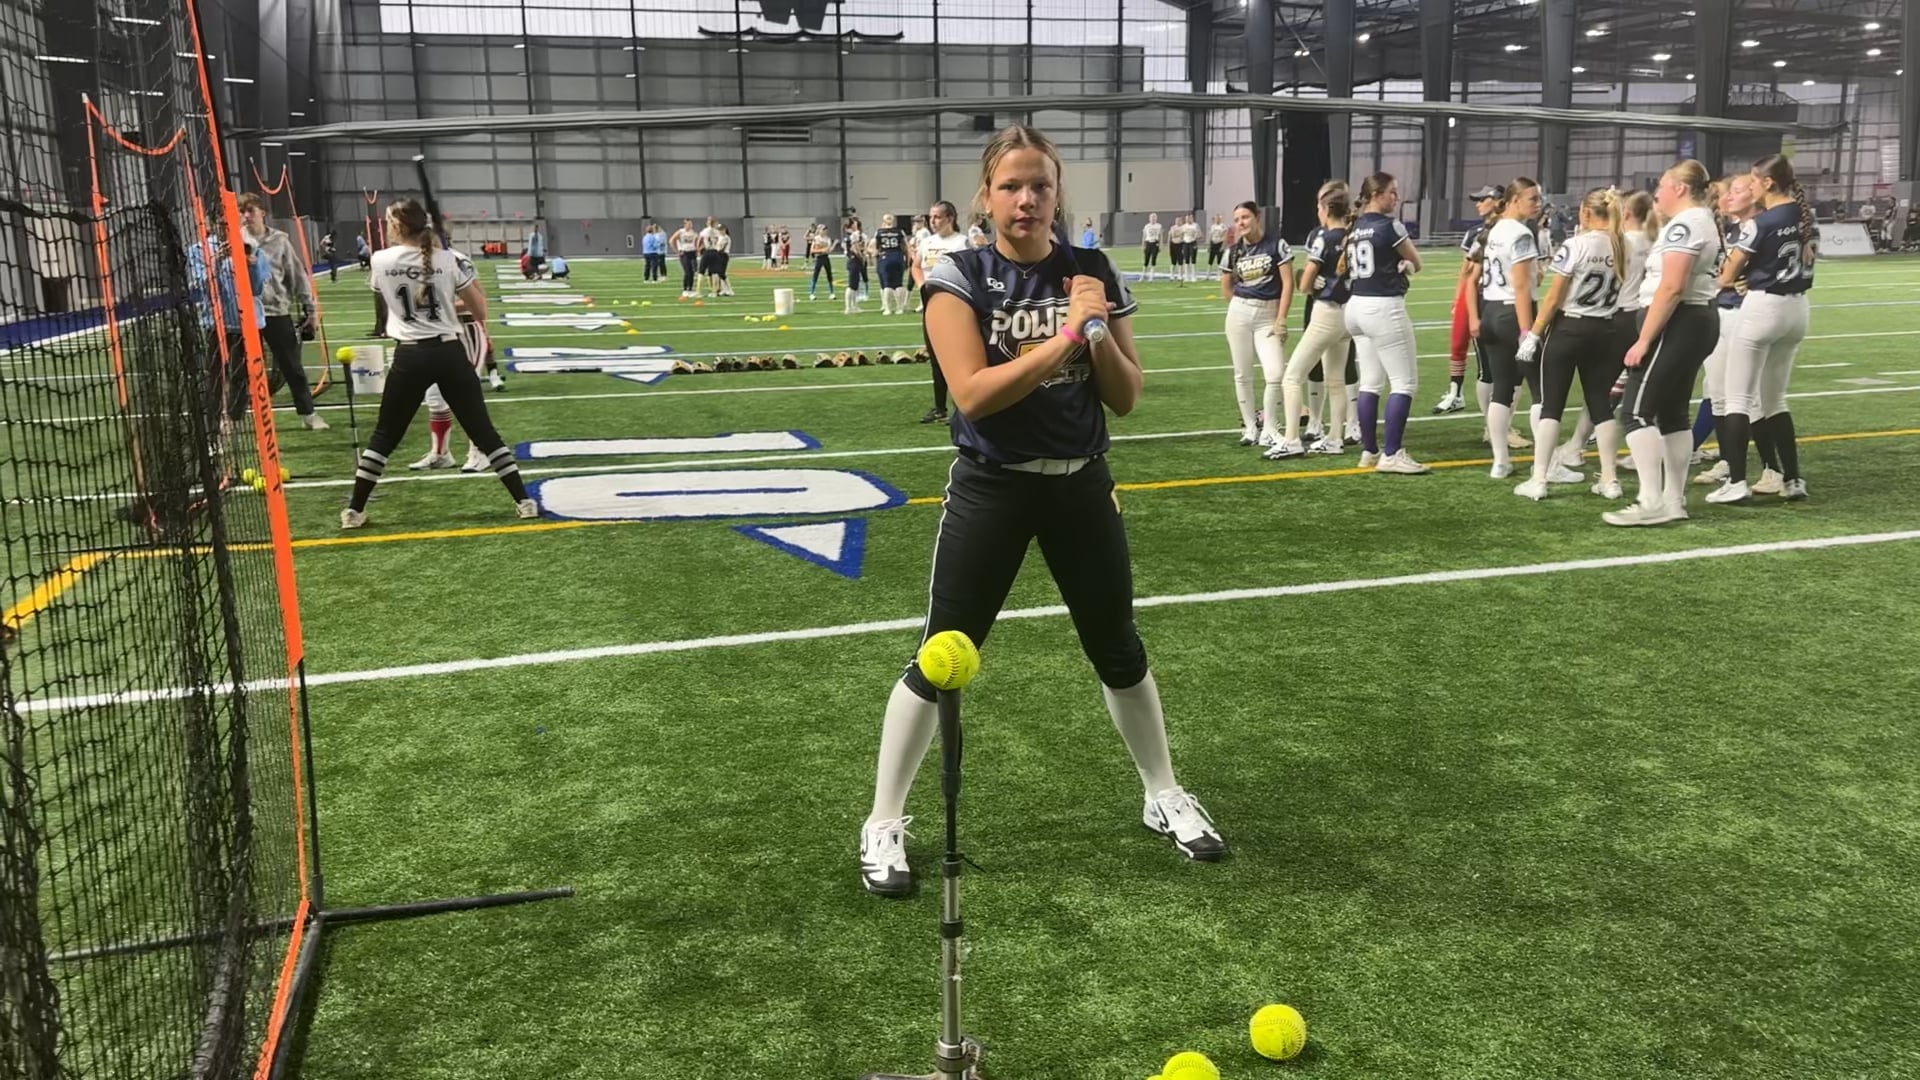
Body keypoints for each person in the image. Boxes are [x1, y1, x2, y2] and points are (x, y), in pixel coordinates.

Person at [858, 123, 1226, 898]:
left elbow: (1126, 396)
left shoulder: (1091, 270)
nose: (1027, 199)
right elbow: (972, 394)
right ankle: (883, 820)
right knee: (942, 651)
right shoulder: (959, 275)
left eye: (1041, 186)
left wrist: (1097, 330)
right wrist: (1066, 337)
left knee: (1117, 646)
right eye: (1012, 186)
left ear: (1058, 195)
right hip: (993, 485)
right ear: (986, 196)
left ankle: (1162, 791)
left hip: (1081, 484)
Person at [344, 198, 535, 529]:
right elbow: (480, 310)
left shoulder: (380, 259)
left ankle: (354, 511)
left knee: (385, 435)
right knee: (483, 432)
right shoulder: (448, 258)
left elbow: (389, 297)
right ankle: (524, 502)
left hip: (409, 355)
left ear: (398, 226)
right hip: (448, 351)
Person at [1604, 159, 1724, 527]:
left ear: (1680, 188)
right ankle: (1673, 500)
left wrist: (1644, 339)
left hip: (1678, 321)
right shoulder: (1700, 221)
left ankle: (1651, 500)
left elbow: (1672, 286)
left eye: (1662, 185)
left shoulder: (1687, 224)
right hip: (1694, 318)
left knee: (1635, 412)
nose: (1657, 193)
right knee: (1673, 415)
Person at [1709, 153, 1814, 504]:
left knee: (1738, 397)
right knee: (1775, 399)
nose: (1751, 186)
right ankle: (1793, 478)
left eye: (1754, 181)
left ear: (1768, 182)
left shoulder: (1762, 222)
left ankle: (1736, 481)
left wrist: (1738, 273)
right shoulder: (1806, 215)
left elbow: (1727, 275)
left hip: (1763, 305)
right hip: (1798, 308)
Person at [1513, 188, 1625, 501]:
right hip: (1605, 329)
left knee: (1552, 405)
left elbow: (1553, 298)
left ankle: (1539, 479)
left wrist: (1534, 333)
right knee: (1600, 406)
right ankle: (1610, 479)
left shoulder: (1576, 245)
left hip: (1569, 327)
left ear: (1586, 213)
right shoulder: (1622, 244)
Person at [1339, 173, 1427, 474]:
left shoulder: (1355, 226)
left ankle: (1370, 451)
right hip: (1382, 306)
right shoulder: (1389, 226)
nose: (1396, 198)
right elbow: (1417, 262)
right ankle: (1392, 453)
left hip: (1355, 306)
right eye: (1392, 192)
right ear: (1377, 194)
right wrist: (1405, 266)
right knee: (1404, 383)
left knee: (1370, 382)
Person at [1273, 182, 1352, 458]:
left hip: (1326, 312)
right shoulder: (1353, 237)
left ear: (1326, 209)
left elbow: (1305, 284)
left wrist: (1311, 284)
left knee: (1292, 377)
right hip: (1348, 314)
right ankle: (1335, 439)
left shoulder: (1324, 238)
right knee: (1336, 380)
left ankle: (1291, 440)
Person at [237, 193, 327, 431]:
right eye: (242, 212)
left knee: (292, 367)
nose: (246, 216)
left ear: (262, 213)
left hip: (276, 311)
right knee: (238, 369)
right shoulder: (235, 240)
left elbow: (297, 275)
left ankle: (308, 414)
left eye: (251, 211)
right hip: (244, 316)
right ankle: (233, 419)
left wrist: (311, 309)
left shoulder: (280, 241)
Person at [1690, 174, 1759, 485]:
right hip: (1722, 310)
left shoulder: (1757, 228)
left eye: (1730, 193)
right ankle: (1726, 459)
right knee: (1717, 391)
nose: (1722, 200)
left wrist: (1750, 280)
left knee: (1745, 396)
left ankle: (1757, 466)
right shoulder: (1728, 229)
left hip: (1743, 314)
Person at [1476, 177, 1546, 481]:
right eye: (1532, 198)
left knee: (1502, 390)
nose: (1538, 204)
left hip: (1491, 310)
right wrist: (1526, 331)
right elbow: (1520, 287)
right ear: (1515, 200)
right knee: (1542, 391)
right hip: (1513, 314)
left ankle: (1500, 461)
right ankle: (1545, 464)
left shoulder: (1496, 229)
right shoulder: (1520, 233)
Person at [1217, 201, 1293, 447]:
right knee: (1242, 373)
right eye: (1237, 219)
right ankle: (1250, 427)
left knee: (1275, 373)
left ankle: (1269, 427)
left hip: (1268, 314)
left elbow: (1288, 283)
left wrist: (1281, 318)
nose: (1241, 223)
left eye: (1246, 217)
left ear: (1257, 217)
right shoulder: (1233, 251)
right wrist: (1241, 307)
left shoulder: (1276, 245)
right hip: (1239, 311)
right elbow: (1226, 288)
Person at [1435, 184, 1502, 415]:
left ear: (1498, 200)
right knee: (1458, 343)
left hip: (1496, 296)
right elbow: (1465, 270)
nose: (1478, 204)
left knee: (1496, 357)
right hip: (1475, 292)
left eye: (1483, 199)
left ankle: (1496, 408)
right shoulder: (1476, 232)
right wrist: (1458, 299)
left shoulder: (1509, 230)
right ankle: (1455, 392)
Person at [910, 201, 970, 421]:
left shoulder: (962, 242)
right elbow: (916, 266)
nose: (932, 221)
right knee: (935, 357)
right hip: (931, 304)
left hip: (954, 304)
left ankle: (962, 407)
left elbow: (971, 272)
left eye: (937, 217)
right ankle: (939, 408)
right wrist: (921, 285)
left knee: (958, 358)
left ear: (950, 218)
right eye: (931, 217)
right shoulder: (927, 242)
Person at [873, 212, 909, 315]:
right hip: (898, 256)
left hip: (885, 257)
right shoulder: (899, 231)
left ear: (884, 221)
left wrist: (876, 257)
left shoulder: (879, 232)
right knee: (899, 284)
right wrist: (907, 260)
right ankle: (900, 308)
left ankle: (887, 308)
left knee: (887, 284)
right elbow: (905, 247)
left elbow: (875, 248)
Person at [843, 217, 868, 314]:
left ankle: (853, 306)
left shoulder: (853, 234)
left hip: (854, 260)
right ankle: (848, 307)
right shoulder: (853, 235)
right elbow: (855, 248)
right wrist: (862, 257)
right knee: (852, 285)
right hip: (854, 260)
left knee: (855, 285)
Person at [670, 219, 700, 298]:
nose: (690, 225)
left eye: (691, 224)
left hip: (692, 253)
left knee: (692, 272)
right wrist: (676, 251)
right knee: (687, 271)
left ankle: (690, 289)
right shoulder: (680, 232)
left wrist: (697, 250)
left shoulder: (694, 233)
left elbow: (697, 242)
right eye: (689, 224)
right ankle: (685, 289)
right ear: (685, 224)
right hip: (684, 253)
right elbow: (671, 240)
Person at [1140, 213, 1163, 281]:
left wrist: (1160, 245)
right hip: (1148, 243)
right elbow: (1144, 236)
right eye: (1152, 217)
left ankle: (1151, 276)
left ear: (1156, 218)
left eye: (1154, 217)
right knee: (1146, 260)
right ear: (1149, 218)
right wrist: (1143, 245)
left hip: (1155, 243)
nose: (1153, 219)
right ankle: (1143, 275)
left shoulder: (1159, 226)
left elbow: (1160, 236)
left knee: (1153, 260)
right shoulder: (1147, 226)